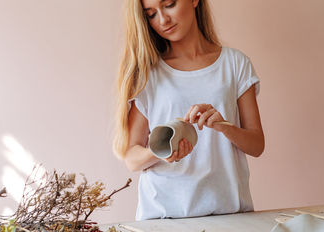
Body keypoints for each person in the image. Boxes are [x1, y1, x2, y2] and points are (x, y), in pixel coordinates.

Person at [113, 0, 265, 220]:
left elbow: (257, 144)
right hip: (163, 219)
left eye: (169, 4)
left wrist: (224, 126)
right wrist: (162, 150)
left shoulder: (235, 64)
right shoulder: (149, 74)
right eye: (151, 14)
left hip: (230, 215)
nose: (163, 20)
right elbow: (132, 158)